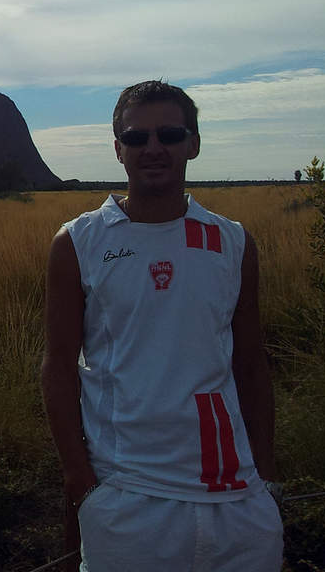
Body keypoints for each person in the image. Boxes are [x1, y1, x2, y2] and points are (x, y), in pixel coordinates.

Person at [41, 80, 283, 571]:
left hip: (235, 498)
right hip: (129, 497)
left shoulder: (232, 242)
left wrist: (267, 478)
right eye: (136, 138)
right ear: (117, 150)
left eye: (169, 135)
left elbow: (250, 363)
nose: (153, 148)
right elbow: (58, 368)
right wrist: (82, 484)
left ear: (193, 143)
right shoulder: (79, 243)